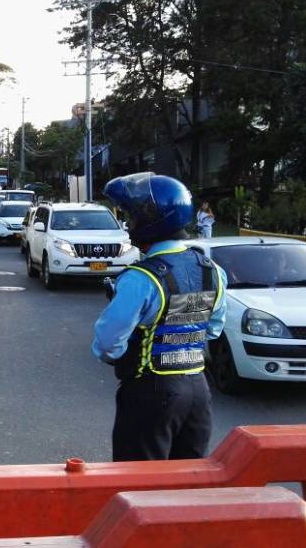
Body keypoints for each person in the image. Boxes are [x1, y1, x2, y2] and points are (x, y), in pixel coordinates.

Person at [91, 173, 228, 462]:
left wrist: (124, 353)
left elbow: (106, 343)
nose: (129, 224)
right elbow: (213, 329)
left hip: (151, 392)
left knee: (140, 486)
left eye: (132, 216)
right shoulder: (212, 270)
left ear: (151, 219)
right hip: (198, 392)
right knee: (186, 485)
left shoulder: (142, 278)